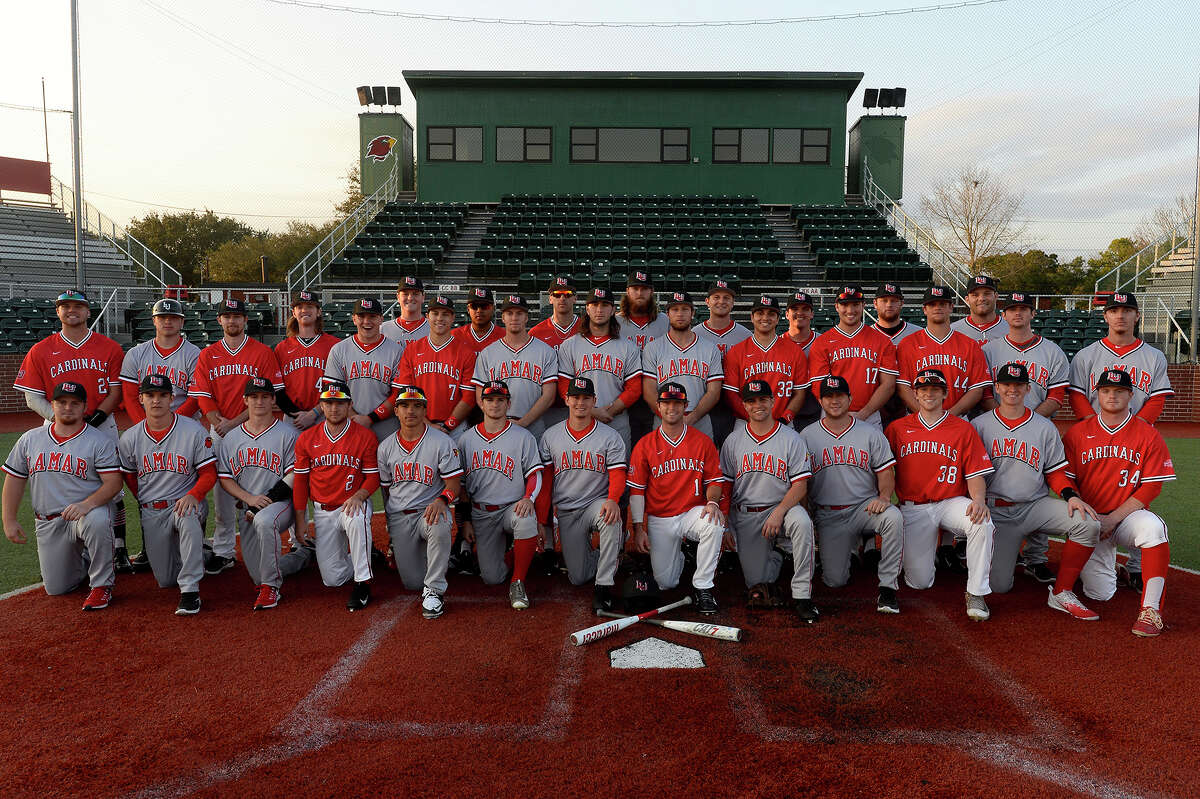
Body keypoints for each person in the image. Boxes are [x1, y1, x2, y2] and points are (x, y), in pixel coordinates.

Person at [15, 290, 129, 573]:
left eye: (78, 306)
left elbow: (116, 392)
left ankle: (119, 549)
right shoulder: (41, 350)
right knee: (62, 489)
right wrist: (63, 420)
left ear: (88, 312)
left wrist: (94, 419)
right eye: (65, 306)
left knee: (112, 490)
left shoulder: (110, 347)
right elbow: (32, 397)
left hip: (103, 426)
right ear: (57, 312)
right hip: (57, 427)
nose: (71, 310)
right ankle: (71, 551)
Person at [1067, 291, 1173, 590]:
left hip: (1136, 435)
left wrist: (1136, 427)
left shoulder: (1153, 356)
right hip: (1094, 433)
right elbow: (1076, 394)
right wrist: (1092, 423)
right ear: (1106, 317)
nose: (1121, 316)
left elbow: (1156, 398)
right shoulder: (1087, 355)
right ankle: (1087, 555)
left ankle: (1139, 566)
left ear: (1137, 316)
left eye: (1127, 310)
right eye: (1114, 311)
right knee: (1090, 489)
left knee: (1138, 492)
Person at [970, 363, 1101, 605]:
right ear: (996, 387)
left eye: (1018, 385)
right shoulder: (979, 426)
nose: (1013, 389)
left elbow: (1056, 472)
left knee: (1088, 523)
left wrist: (1071, 495)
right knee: (999, 587)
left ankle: (1062, 589)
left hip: (1035, 507)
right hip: (997, 512)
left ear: (1028, 388)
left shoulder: (1044, 426)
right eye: (1007, 384)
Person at [1063, 369, 1175, 637]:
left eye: (1119, 391)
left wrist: (1112, 519)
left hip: (1126, 517)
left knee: (1153, 529)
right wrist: (1091, 520)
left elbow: (1152, 486)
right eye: (1105, 391)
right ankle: (1116, 569)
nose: (1112, 396)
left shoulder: (1147, 434)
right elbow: (1067, 484)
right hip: (1091, 521)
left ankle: (1151, 611)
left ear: (1130, 395)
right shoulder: (1078, 433)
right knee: (1099, 594)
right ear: (1097, 394)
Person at [885, 368, 996, 621]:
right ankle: (933, 554)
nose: (929, 394)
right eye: (923, 390)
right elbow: (883, 471)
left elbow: (975, 472)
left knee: (982, 521)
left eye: (934, 389)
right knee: (919, 582)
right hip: (914, 507)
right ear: (915, 393)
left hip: (951, 502)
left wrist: (978, 500)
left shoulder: (962, 428)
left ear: (945, 393)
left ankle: (976, 592)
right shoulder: (897, 428)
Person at [2, 381, 122, 610]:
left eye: (74, 403)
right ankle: (86, 558)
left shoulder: (99, 441)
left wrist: (87, 505)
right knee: (57, 588)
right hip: (49, 520)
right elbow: (15, 479)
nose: (68, 407)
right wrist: (9, 520)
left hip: (86, 513)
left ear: (84, 407)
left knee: (97, 520)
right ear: (52, 405)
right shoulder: (30, 439)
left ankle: (102, 585)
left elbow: (114, 483)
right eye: (62, 402)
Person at [187, 298, 286, 575]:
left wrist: (234, 422)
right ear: (219, 321)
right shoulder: (208, 354)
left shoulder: (262, 352)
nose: (232, 321)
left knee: (264, 484)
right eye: (227, 316)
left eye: (237, 316)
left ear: (245, 320)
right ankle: (224, 550)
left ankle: (279, 540)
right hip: (220, 429)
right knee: (223, 495)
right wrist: (215, 419)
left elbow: (272, 395)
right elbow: (203, 394)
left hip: (256, 428)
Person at [978, 290, 1071, 582]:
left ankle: (1036, 557)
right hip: (998, 422)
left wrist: (1031, 423)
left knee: (1038, 486)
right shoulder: (990, 350)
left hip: (1039, 426)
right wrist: (1005, 417)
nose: (1018, 313)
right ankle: (986, 548)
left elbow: (1057, 394)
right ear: (1003, 315)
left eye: (1024, 309)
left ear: (1033, 313)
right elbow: (982, 392)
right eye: (1012, 309)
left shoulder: (1052, 351)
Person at [801, 375, 904, 614]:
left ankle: (888, 588)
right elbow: (802, 482)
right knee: (835, 581)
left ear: (850, 399)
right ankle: (850, 549)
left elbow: (886, 472)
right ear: (820, 400)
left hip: (864, 508)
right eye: (829, 396)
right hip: (829, 514)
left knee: (893, 517)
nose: (834, 401)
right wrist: (808, 514)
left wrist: (885, 498)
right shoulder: (806, 436)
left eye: (840, 396)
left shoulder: (870, 433)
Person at [118, 374, 217, 615]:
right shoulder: (130, 437)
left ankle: (191, 591)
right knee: (165, 579)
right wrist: (142, 500)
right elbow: (129, 476)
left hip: (185, 502)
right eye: (150, 395)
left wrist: (194, 495)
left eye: (163, 395)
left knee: (188, 517)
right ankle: (200, 555)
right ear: (140, 398)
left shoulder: (193, 430)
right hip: (153, 509)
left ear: (172, 398)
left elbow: (208, 473)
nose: (156, 401)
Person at [720, 379, 818, 623]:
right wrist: (726, 523)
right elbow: (726, 486)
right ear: (744, 406)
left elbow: (800, 485)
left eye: (763, 399)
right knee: (756, 582)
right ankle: (778, 554)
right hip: (748, 514)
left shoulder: (791, 438)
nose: (758, 405)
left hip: (783, 508)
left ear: (773, 402)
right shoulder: (733, 441)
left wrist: (780, 511)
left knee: (802, 523)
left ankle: (803, 596)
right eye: (751, 401)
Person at [628, 382, 727, 615]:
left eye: (677, 403)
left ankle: (703, 586)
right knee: (666, 583)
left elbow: (714, 481)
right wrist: (639, 529)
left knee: (713, 522)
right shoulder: (645, 445)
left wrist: (712, 502)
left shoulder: (702, 441)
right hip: (660, 517)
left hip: (691, 512)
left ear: (685, 406)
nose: (672, 408)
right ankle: (682, 556)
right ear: (659, 407)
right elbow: (637, 491)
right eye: (666, 403)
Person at [217, 376, 311, 612]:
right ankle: (304, 557)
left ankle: (271, 588)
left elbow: (295, 477)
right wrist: (249, 500)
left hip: (281, 505)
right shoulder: (231, 438)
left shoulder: (288, 434)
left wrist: (261, 504)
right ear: (245, 400)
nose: (259, 402)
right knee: (258, 573)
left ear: (273, 401)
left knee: (264, 521)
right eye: (254, 397)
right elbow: (225, 477)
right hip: (249, 507)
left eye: (265, 397)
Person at [538, 377, 627, 611]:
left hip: (595, 504)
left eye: (586, 397)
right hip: (567, 511)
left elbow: (618, 475)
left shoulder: (609, 436)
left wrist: (613, 500)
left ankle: (604, 585)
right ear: (566, 399)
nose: (580, 402)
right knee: (577, 577)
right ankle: (609, 552)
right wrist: (541, 520)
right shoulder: (550, 436)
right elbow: (546, 483)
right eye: (575, 397)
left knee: (610, 516)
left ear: (594, 401)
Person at [292, 380, 380, 611]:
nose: (334, 408)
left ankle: (363, 583)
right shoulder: (307, 438)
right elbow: (300, 482)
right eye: (329, 403)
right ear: (321, 405)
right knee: (332, 579)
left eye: (339, 403)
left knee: (358, 518)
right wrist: (301, 520)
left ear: (350, 405)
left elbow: (373, 477)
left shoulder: (365, 436)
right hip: (322, 510)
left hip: (352, 503)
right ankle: (365, 557)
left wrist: (360, 495)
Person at [376, 386, 463, 620]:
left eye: (417, 406)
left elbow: (454, 484)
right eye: (404, 405)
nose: (410, 411)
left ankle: (434, 589)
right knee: (412, 583)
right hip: (400, 516)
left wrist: (442, 500)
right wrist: (389, 525)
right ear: (396, 411)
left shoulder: (441, 441)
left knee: (440, 522)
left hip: (429, 511)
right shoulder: (385, 447)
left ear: (425, 410)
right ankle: (432, 559)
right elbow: (385, 491)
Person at [457, 380, 545, 609]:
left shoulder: (523, 437)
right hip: (481, 513)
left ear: (508, 404)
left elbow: (535, 474)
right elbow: (462, 487)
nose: (494, 405)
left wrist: (528, 498)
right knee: (491, 578)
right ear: (482, 404)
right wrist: (465, 521)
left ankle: (518, 581)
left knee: (525, 519)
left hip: (511, 508)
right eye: (489, 400)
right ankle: (514, 554)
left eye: (500, 400)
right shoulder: (466, 440)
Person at [556, 287, 642, 455]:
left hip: (616, 420)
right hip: (580, 420)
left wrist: (609, 412)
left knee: (618, 473)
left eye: (605, 305)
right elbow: (563, 385)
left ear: (613, 311)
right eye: (594, 305)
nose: (599, 310)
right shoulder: (570, 345)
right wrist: (593, 411)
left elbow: (635, 387)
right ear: (587, 309)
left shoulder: (628, 347)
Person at [807, 285, 899, 428]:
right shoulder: (823, 342)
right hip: (832, 415)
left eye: (855, 304)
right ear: (836, 306)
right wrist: (839, 414)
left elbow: (888, 384)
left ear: (863, 305)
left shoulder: (882, 341)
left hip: (870, 415)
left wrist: (864, 413)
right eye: (845, 305)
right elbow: (818, 385)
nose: (850, 310)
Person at [472, 295, 558, 441]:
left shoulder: (545, 351)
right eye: (509, 313)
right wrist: (499, 422)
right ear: (502, 318)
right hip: (496, 427)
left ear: (526, 317)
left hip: (534, 427)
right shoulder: (488, 353)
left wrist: (523, 423)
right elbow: (480, 395)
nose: (514, 318)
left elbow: (549, 396)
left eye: (519, 313)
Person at [640, 291, 724, 440]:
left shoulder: (710, 349)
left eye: (685, 309)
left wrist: (692, 418)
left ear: (692, 313)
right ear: (667, 314)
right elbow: (649, 391)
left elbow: (714, 392)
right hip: (663, 420)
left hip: (700, 420)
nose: (680, 314)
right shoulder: (652, 348)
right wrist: (670, 419)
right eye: (675, 309)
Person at [896, 286, 991, 416]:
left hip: (958, 417)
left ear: (951, 307)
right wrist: (925, 414)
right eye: (932, 304)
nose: (937, 308)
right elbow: (902, 387)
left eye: (942, 304)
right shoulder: (908, 344)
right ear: (924, 309)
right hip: (917, 417)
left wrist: (950, 415)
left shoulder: (970, 345)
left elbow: (977, 389)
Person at [323, 298, 403, 442]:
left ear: (381, 319)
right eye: (361, 316)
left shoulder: (396, 351)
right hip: (349, 422)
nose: (367, 321)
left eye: (372, 316)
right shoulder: (339, 350)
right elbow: (332, 390)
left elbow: (398, 394)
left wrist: (370, 418)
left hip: (386, 425)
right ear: (354, 319)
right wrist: (354, 417)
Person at [394, 294, 475, 436]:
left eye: (445, 314)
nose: (439, 318)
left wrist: (449, 425)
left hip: (456, 427)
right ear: (427, 316)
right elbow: (405, 392)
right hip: (419, 424)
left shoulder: (466, 352)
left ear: (453, 318)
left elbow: (469, 396)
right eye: (435, 313)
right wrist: (427, 424)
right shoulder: (412, 349)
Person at [723, 295, 809, 427]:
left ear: (778, 319)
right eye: (759, 313)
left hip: (783, 422)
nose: (765, 318)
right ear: (752, 317)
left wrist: (785, 418)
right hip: (746, 422)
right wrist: (752, 419)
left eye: (771, 314)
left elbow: (799, 393)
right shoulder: (736, 352)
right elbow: (731, 394)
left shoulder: (794, 351)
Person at [119, 297, 202, 423]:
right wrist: (146, 427)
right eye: (162, 317)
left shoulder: (194, 354)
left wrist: (172, 424)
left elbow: (194, 399)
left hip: (184, 424)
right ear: (154, 320)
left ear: (182, 322)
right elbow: (130, 398)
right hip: (145, 423)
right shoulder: (135, 354)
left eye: (173, 317)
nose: (167, 321)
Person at [274, 290, 339, 431]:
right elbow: (278, 388)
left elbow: (338, 385)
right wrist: (296, 414)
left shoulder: (334, 345)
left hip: (325, 414)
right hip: (292, 417)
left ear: (319, 312)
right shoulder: (282, 348)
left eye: (310, 306)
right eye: (299, 307)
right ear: (293, 312)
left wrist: (314, 413)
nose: (304, 310)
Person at [617, 271, 668, 446]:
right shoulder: (614, 322)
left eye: (644, 289)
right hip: (623, 395)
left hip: (656, 395)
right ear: (627, 291)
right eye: (635, 288)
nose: (640, 293)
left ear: (652, 292)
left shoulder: (665, 322)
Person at [530, 275, 583, 432]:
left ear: (575, 298)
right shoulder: (536, 332)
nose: (562, 298)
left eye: (567, 294)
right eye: (557, 294)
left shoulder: (587, 329)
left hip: (581, 401)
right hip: (548, 406)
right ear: (550, 298)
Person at [872, 282, 921, 431]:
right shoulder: (866, 336)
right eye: (884, 300)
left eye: (894, 300)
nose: (889, 305)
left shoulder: (918, 334)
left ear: (902, 303)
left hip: (910, 404)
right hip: (875, 405)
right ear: (875, 303)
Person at [783, 291, 822, 431]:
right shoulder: (776, 344)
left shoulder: (823, 342)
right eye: (795, 309)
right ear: (787, 314)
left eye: (805, 309)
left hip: (818, 411)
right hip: (783, 411)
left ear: (812, 314)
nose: (800, 313)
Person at [950, 274, 1009, 345]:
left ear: (996, 296)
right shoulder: (953, 331)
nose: (981, 299)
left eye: (987, 294)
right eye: (975, 295)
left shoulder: (1011, 329)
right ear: (967, 300)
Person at [453, 286, 505, 356]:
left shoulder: (505, 337)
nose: (479, 310)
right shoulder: (454, 336)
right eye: (474, 306)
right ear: (468, 309)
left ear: (493, 309)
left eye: (484, 306)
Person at [380, 275, 429, 348]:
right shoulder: (383, 329)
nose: (410, 298)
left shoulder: (434, 328)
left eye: (415, 294)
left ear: (423, 297)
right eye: (405, 294)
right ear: (398, 297)